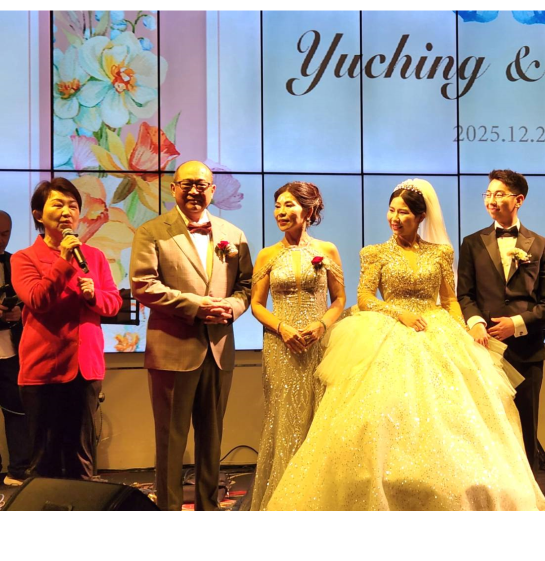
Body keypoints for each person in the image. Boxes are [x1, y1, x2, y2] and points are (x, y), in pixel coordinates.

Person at [268, 179, 545, 511]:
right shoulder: (374, 253)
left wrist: (465, 332)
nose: (395, 218)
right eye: (391, 211)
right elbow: (364, 298)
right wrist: (397, 313)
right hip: (388, 332)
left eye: (403, 213)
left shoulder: (441, 253)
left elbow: (449, 300)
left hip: (436, 330)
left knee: (455, 417)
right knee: (379, 412)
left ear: (420, 217)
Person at [130, 160, 253, 511]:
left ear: (212, 190)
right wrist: (196, 306)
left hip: (219, 348)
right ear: (173, 189)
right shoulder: (152, 232)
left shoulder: (234, 234)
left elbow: (246, 285)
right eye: (187, 184)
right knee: (170, 439)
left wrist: (232, 307)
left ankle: (208, 508)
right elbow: (143, 285)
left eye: (202, 184)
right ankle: (169, 512)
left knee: (212, 438)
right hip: (172, 349)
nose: (195, 190)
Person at [11, 179, 121, 480]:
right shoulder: (24, 258)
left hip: (86, 368)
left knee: (81, 460)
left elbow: (113, 303)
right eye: (58, 204)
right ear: (38, 214)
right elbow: (38, 299)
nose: (67, 212)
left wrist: (94, 296)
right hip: (44, 370)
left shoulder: (95, 256)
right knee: (44, 462)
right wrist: (63, 259)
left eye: (73, 206)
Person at [248, 182, 346, 510]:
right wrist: (282, 327)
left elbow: (339, 299)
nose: (280, 211)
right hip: (281, 345)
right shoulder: (267, 255)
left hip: (319, 344)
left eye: (288, 205)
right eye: (277, 205)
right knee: (284, 418)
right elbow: (257, 304)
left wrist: (321, 325)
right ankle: (282, 501)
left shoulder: (327, 250)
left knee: (319, 416)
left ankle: (318, 500)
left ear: (309, 210)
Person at [457, 169, 545, 472]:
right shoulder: (472, 243)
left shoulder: (540, 244)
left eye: (499, 194)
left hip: (527, 351)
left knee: (526, 426)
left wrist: (515, 324)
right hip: (484, 350)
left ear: (519, 200)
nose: (491, 200)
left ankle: (529, 494)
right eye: (488, 194)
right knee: (486, 427)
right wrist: (477, 323)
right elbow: (464, 294)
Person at [0, 210, 31, 486]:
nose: (1, 239)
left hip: (12, 349)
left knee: (17, 412)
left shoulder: (15, 262)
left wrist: (19, 313)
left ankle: (18, 470)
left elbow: (31, 300)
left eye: (5, 234)